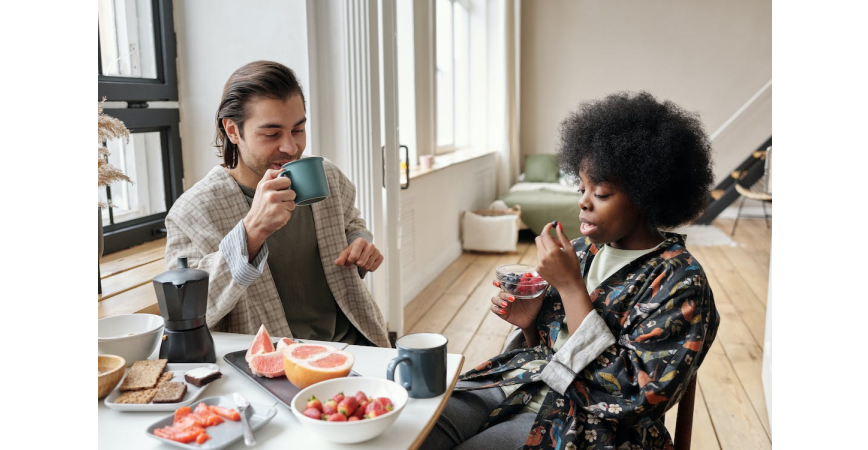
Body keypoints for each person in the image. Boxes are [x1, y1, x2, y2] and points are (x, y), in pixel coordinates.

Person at [422, 91, 720, 450]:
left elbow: (635, 397)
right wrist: (530, 324)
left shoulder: (680, 282)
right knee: (414, 428)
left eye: (602, 193)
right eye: (582, 188)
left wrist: (570, 289)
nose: (583, 201)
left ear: (647, 195)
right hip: (524, 385)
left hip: (587, 425)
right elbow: (550, 351)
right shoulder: (580, 251)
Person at [164, 60, 390, 348]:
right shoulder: (192, 211)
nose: (291, 147)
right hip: (271, 364)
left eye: (298, 129)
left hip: (358, 345)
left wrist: (360, 244)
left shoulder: (327, 177)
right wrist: (252, 231)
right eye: (271, 134)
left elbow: (351, 225)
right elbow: (184, 313)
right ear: (232, 131)